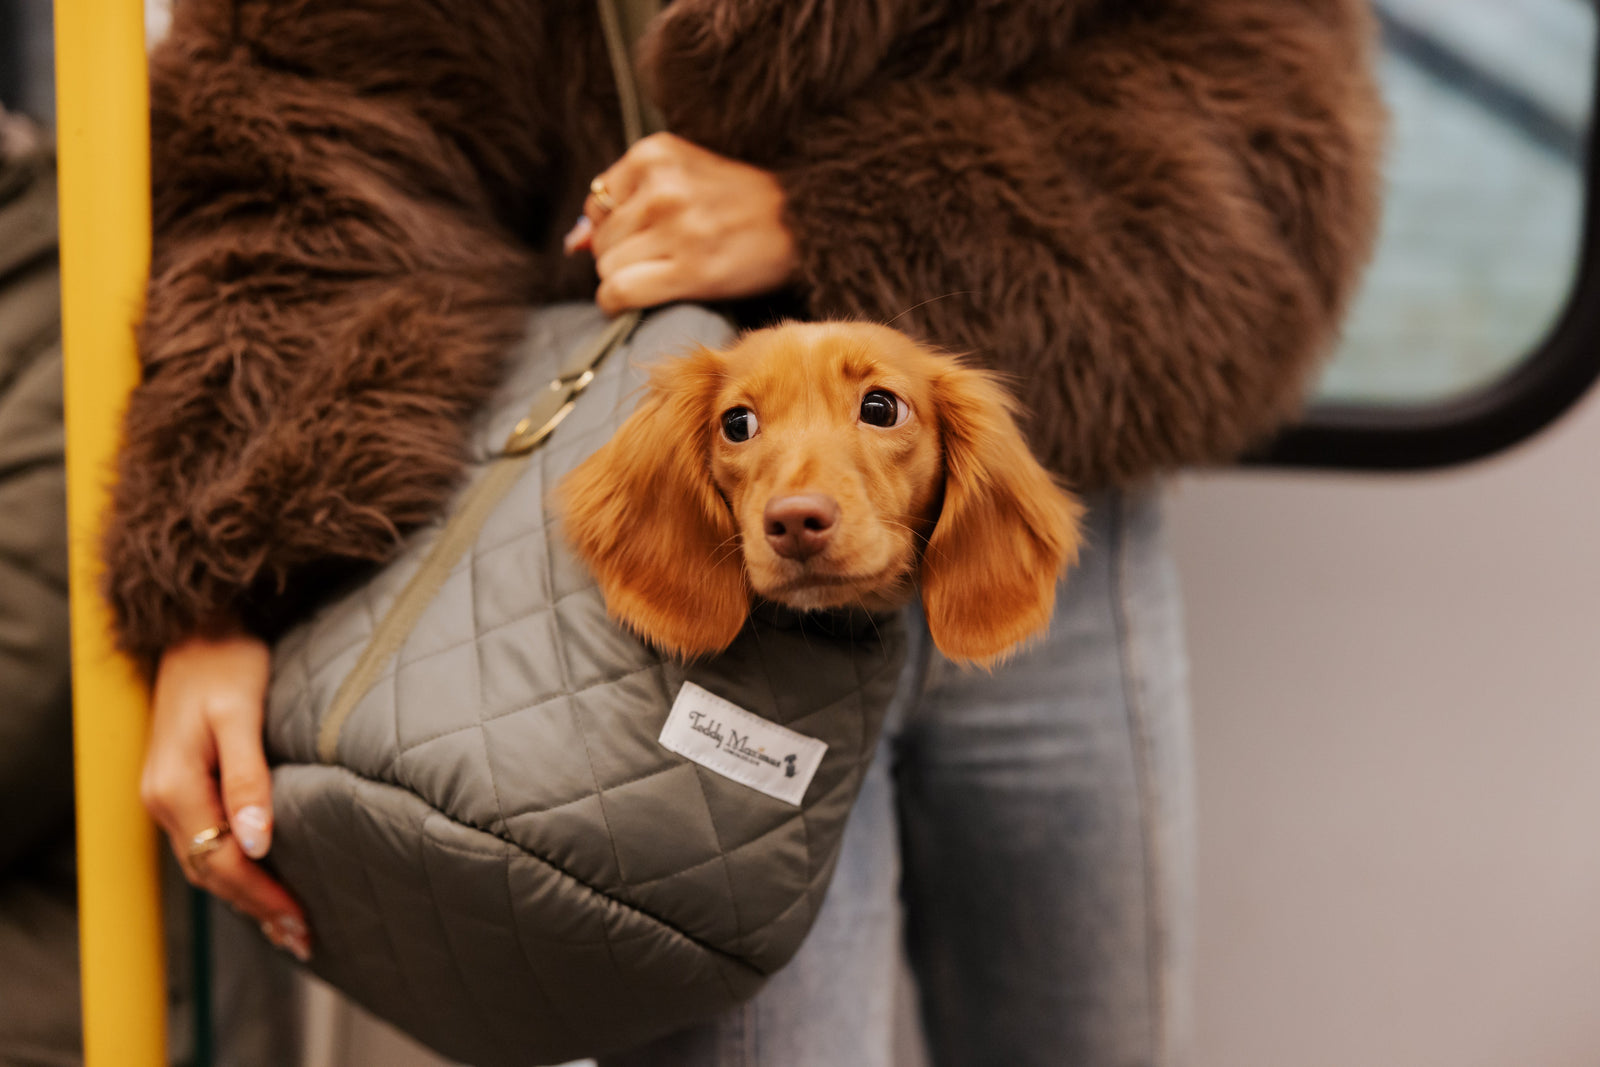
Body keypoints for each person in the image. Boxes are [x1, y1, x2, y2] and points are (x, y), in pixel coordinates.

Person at [110, 1, 1383, 1064]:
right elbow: (296, 151)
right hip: (679, 586)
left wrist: (827, 214)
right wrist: (230, 571)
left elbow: (1260, 120)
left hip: (1041, 525)